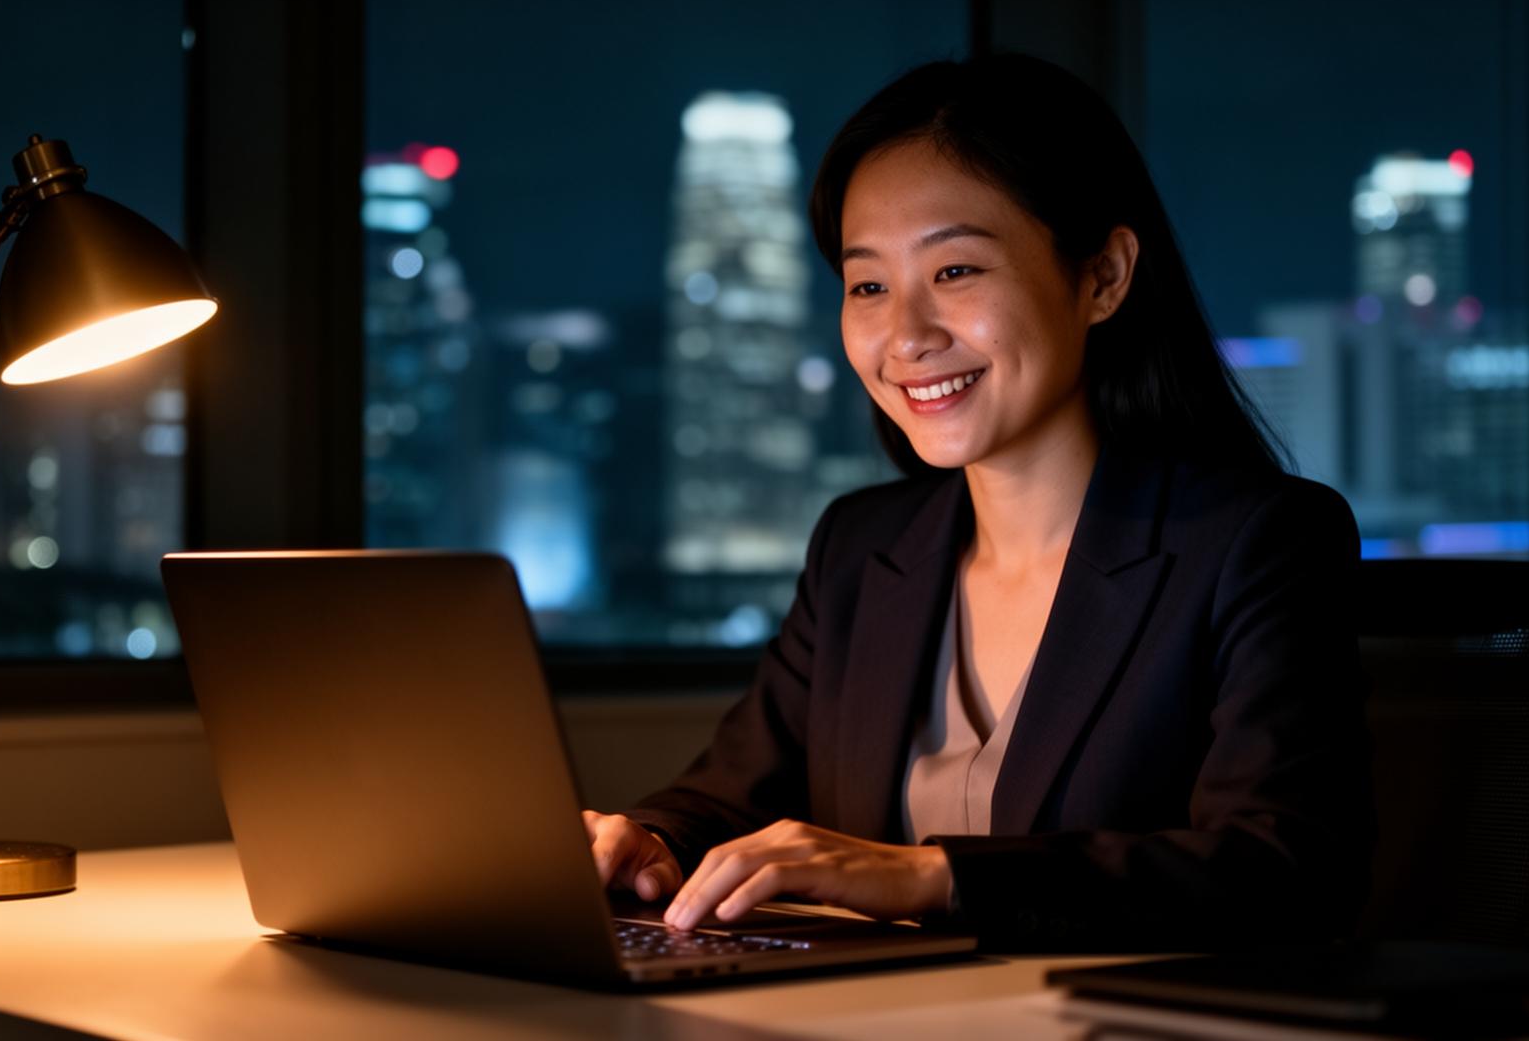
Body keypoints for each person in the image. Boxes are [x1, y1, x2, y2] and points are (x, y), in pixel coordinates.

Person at [582, 54, 1371, 951]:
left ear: (1104, 277)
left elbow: (1286, 869)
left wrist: (932, 876)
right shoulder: (862, 549)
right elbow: (728, 794)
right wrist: (647, 839)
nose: (908, 336)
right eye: (868, 285)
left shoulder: (1253, 542)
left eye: (955, 272)